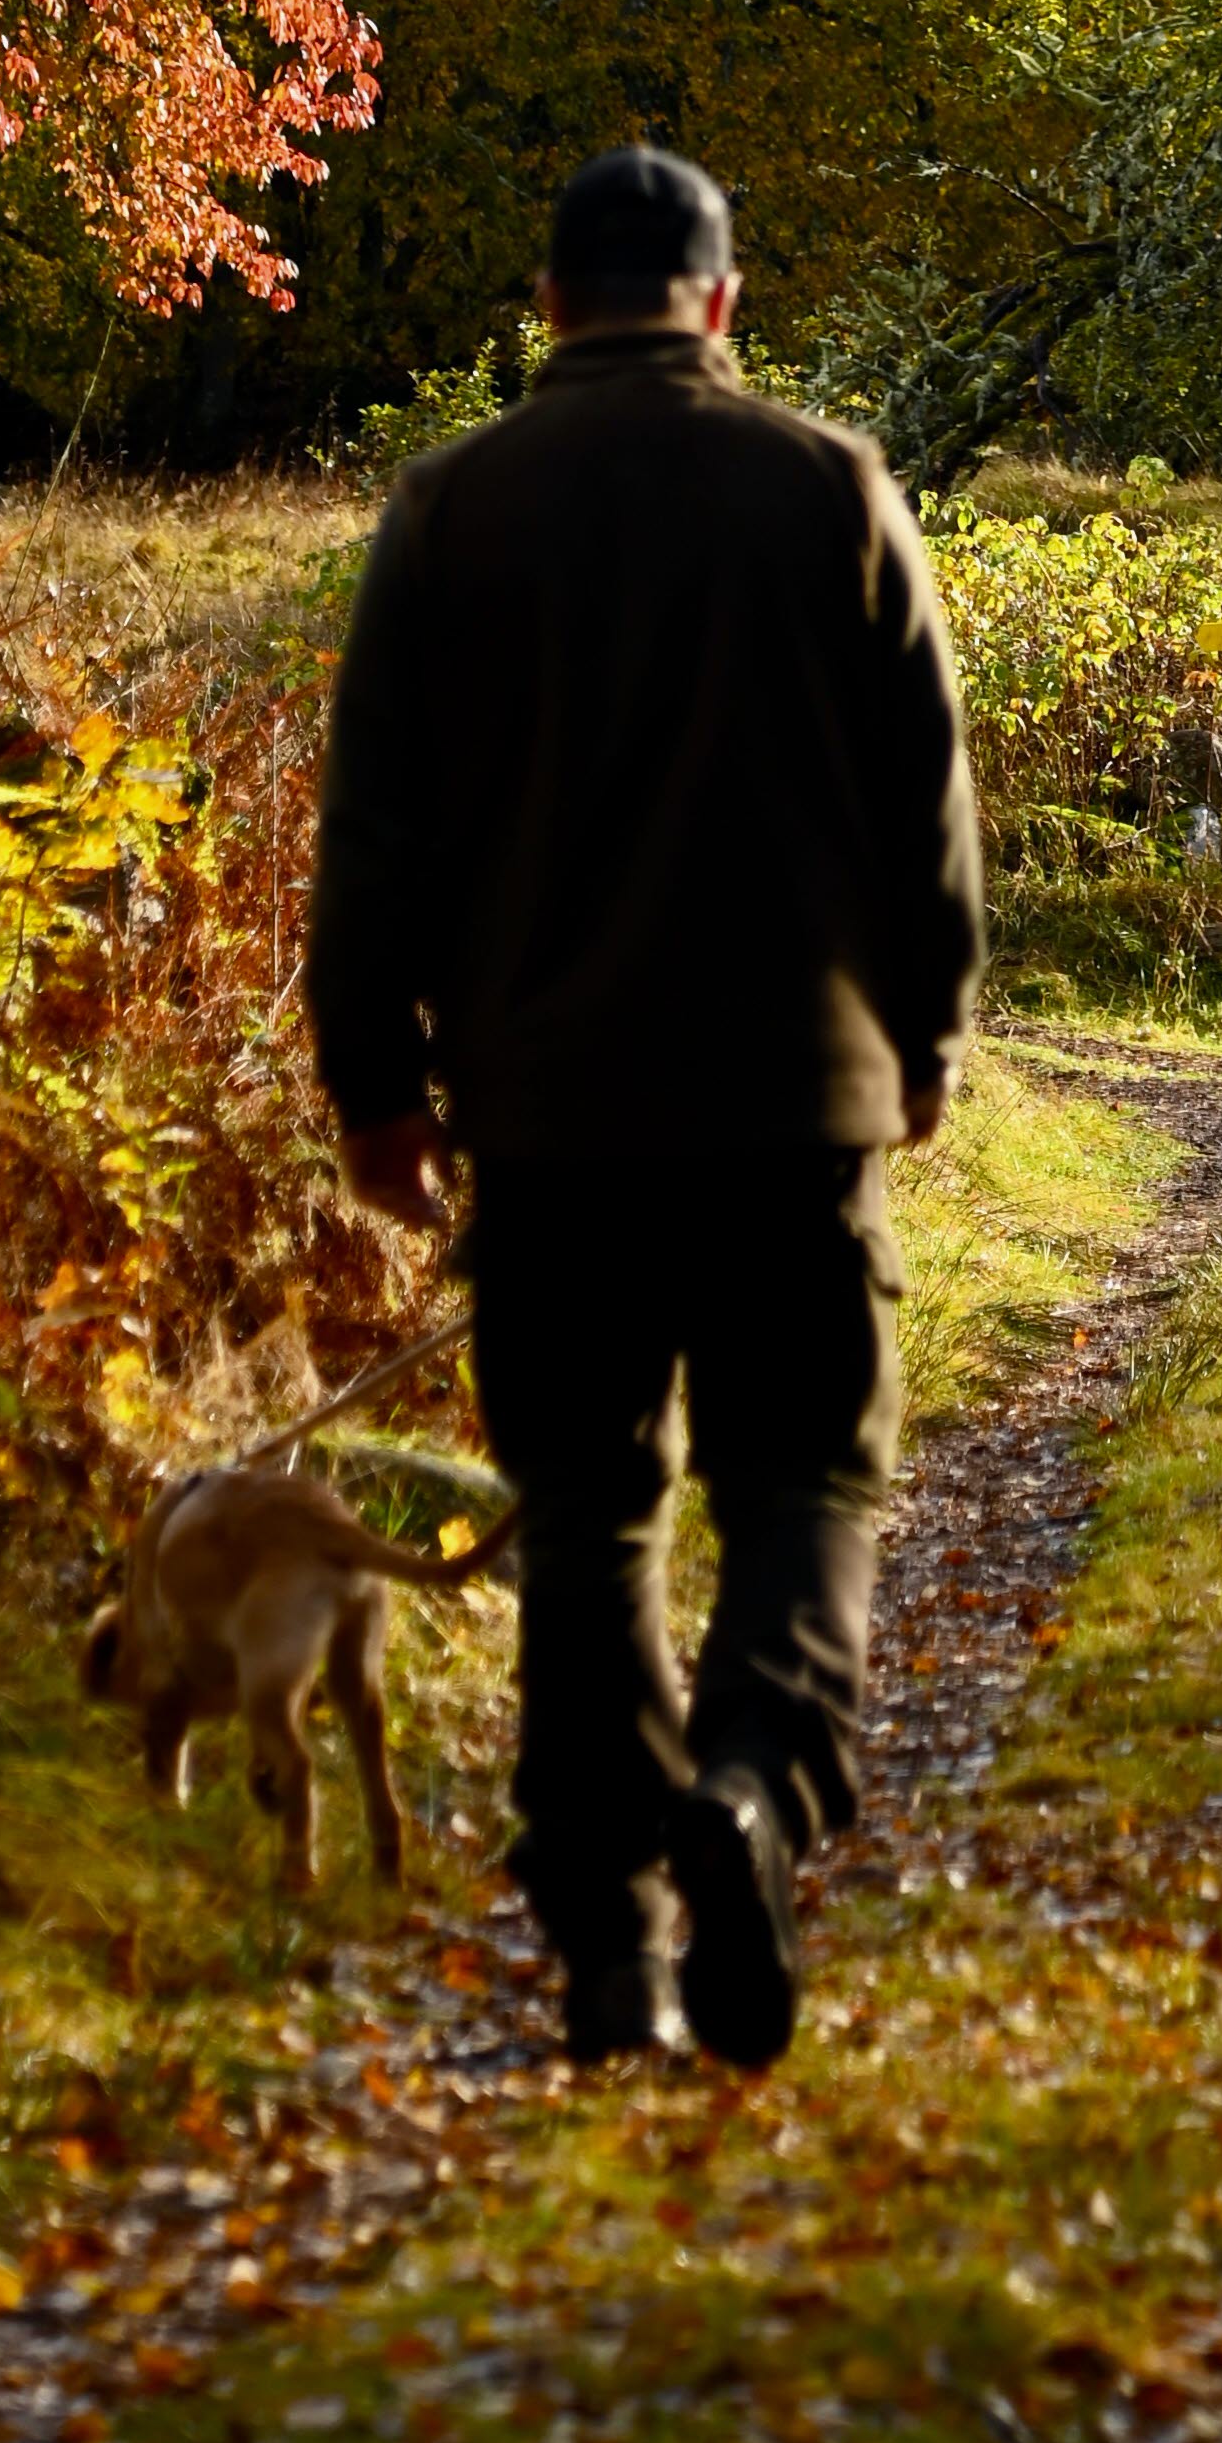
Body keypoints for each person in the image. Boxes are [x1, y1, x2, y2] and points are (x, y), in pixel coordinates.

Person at [303, 146, 984, 2067]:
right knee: (805, 1482)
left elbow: (374, 838)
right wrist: (924, 1036)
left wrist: (376, 1083)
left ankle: (608, 1947)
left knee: (590, 1519)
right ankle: (757, 1791)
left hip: (547, 1117)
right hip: (795, 1105)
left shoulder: (450, 513)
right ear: (722, 301)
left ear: (548, 308)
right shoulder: (833, 490)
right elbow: (926, 799)